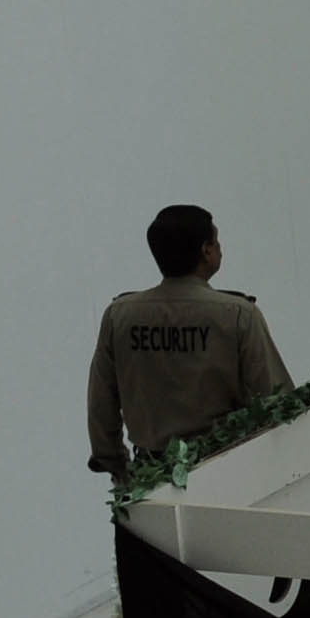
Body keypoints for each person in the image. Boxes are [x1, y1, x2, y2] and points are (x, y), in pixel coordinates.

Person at [86, 205, 294, 478]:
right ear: (206, 251)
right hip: (229, 473)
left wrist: (120, 469)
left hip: (152, 476)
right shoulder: (238, 315)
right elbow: (279, 401)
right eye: (216, 242)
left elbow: (102, 405)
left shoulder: (120, 316)